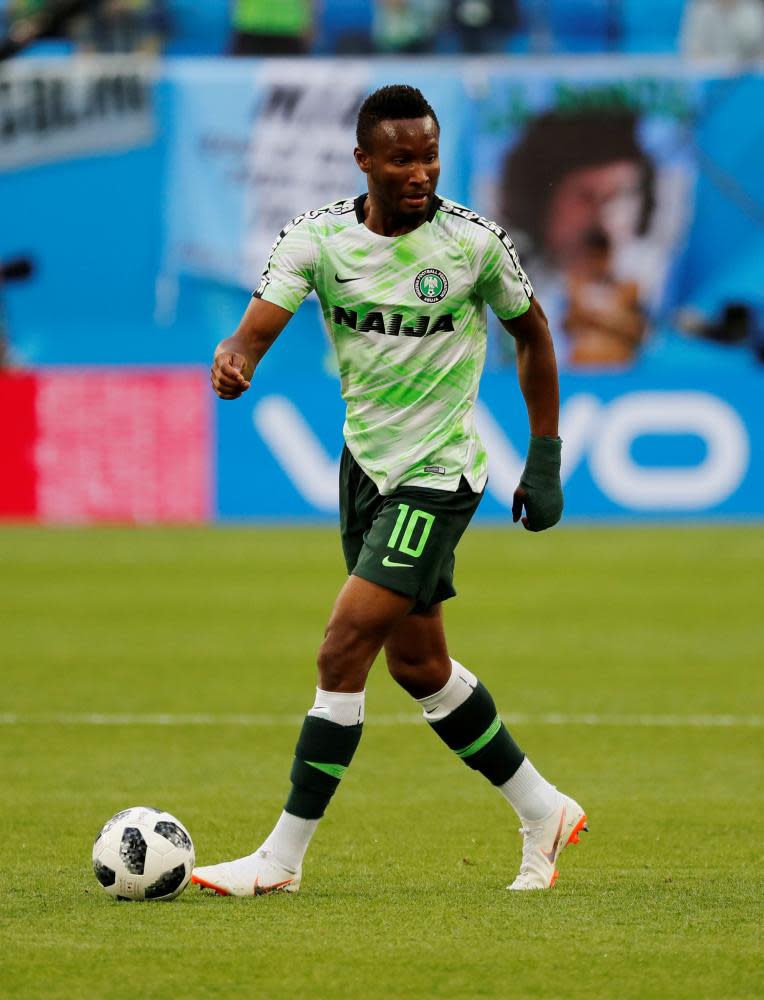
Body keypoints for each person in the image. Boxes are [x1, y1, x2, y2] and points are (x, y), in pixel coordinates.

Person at [194, 85, 587, 898]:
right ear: (364, 160)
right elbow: (257, 326)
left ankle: (281, 860)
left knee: (343, 647)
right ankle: (544, 808)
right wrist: (237, 357)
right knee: (420, 666)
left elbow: (534, 336)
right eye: (402, 157)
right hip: (366, 470)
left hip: (438, 476)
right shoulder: (317, 240)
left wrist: (543, 457)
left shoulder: (474, 245)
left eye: (430, 155)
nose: (420, 171)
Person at [563, 230, 646, 367]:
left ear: (608, 256)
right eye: (591, 257)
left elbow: (638, 332)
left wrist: (598, 319)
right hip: (582, 368)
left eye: (600, 257)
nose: (596, 263)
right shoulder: (575, 288)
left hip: (617, 368)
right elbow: (567, 326)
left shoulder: (627, 290)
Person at [680, 0, 764, 60]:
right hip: (710, 78)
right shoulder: (700, 9)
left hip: (749, 78)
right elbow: (691, 53)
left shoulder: (754, 8)